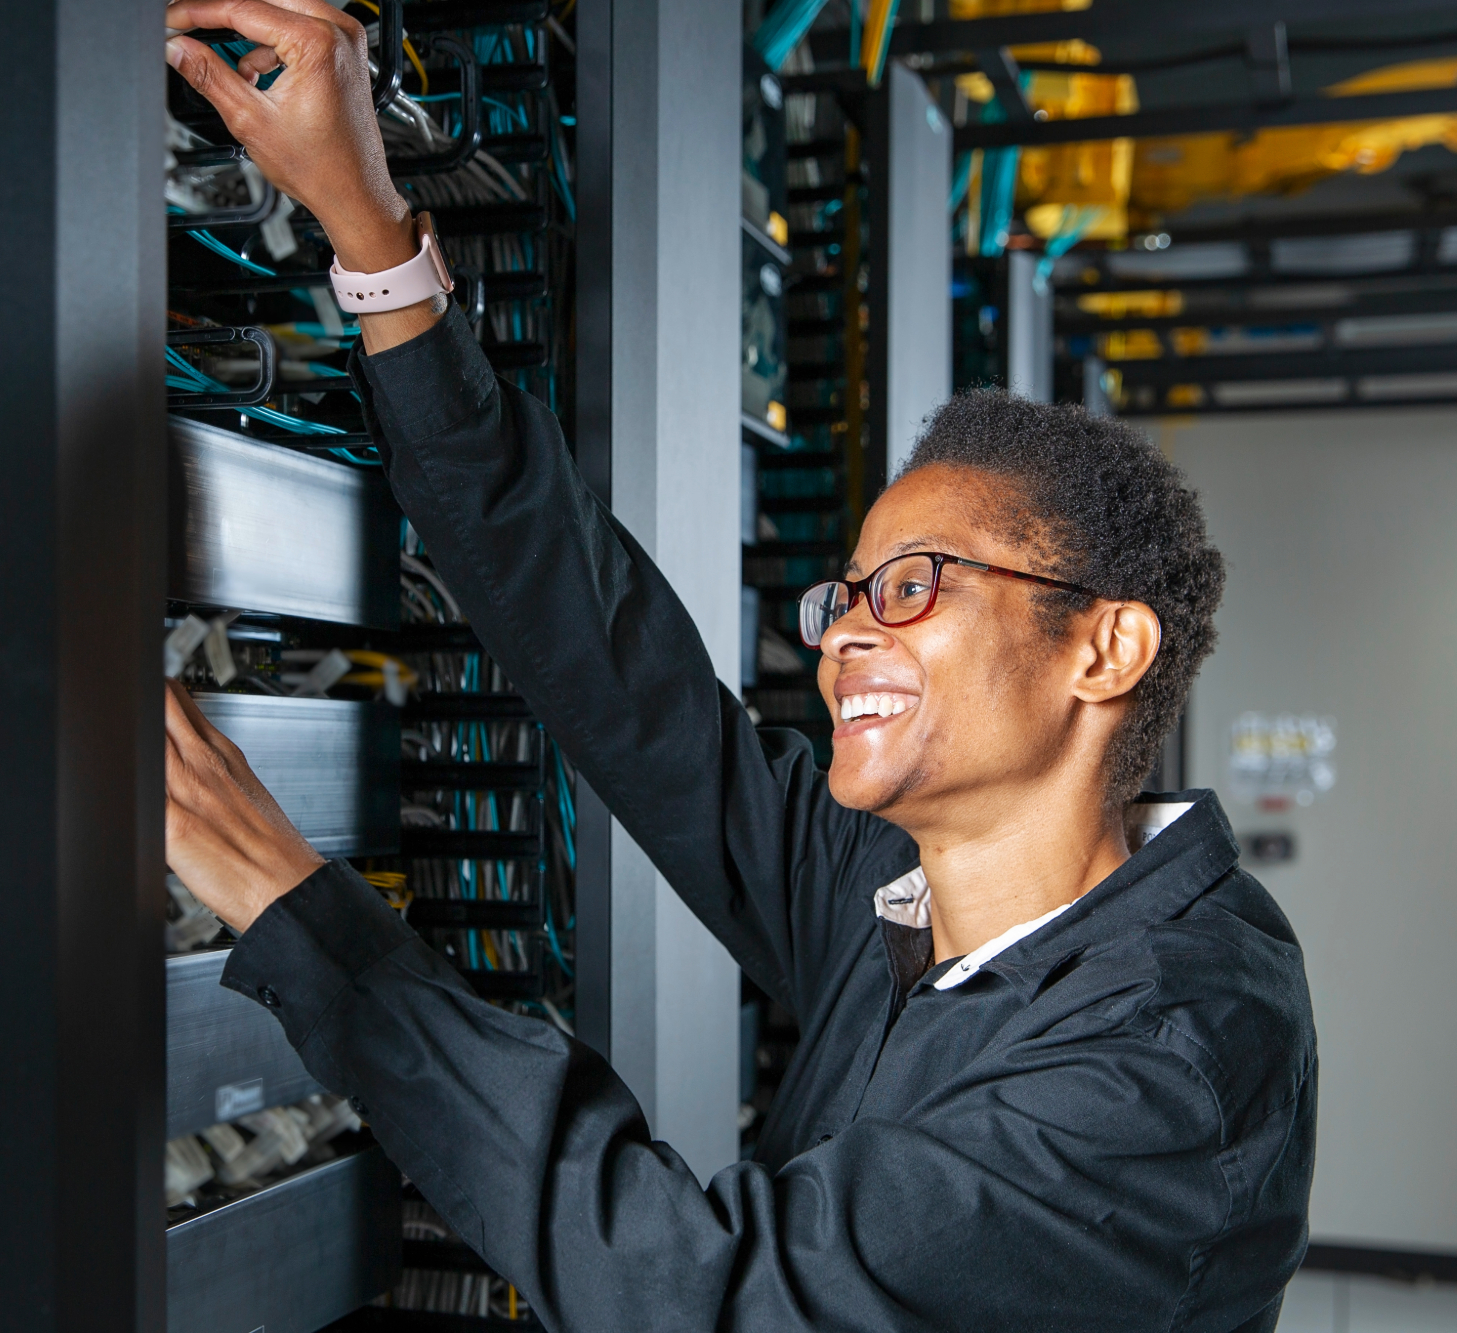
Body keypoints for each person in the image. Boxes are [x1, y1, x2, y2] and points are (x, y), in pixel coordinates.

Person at [158, 3, 1317, 1328]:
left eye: (916, 585)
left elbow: (705, 1292)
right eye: (849, 595)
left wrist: (295, 904)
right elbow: (622, 675)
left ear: (1104, 646)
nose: (849, 633)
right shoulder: (906, 891)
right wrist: (369, 240)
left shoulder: (1161, 1060)